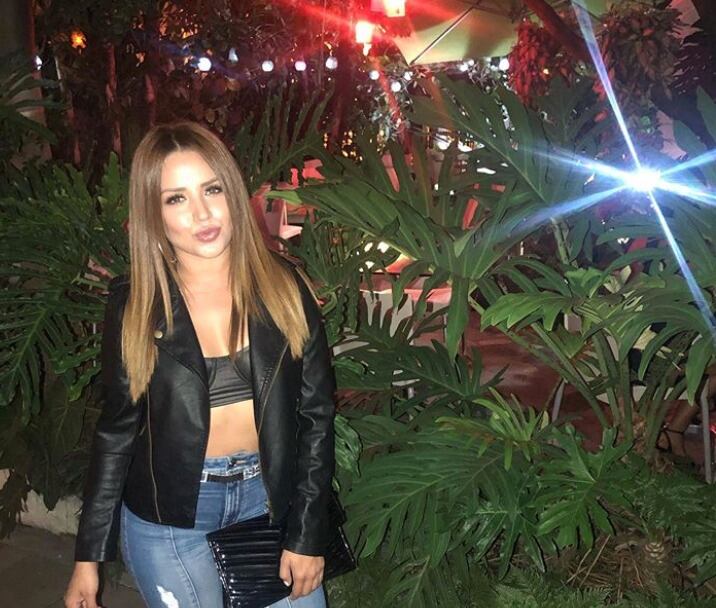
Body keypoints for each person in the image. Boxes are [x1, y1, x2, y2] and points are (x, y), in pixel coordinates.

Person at [63, 122, 336, 608]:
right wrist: (88, 557)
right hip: (171, 519)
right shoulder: (135, 305)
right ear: (154, 214)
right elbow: (117, 431)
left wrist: (307, 531)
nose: (202, 213)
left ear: (232, 193)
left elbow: (316, 416)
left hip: (267, 499)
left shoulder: (284, 288)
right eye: (176, 198)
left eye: (212, 189)